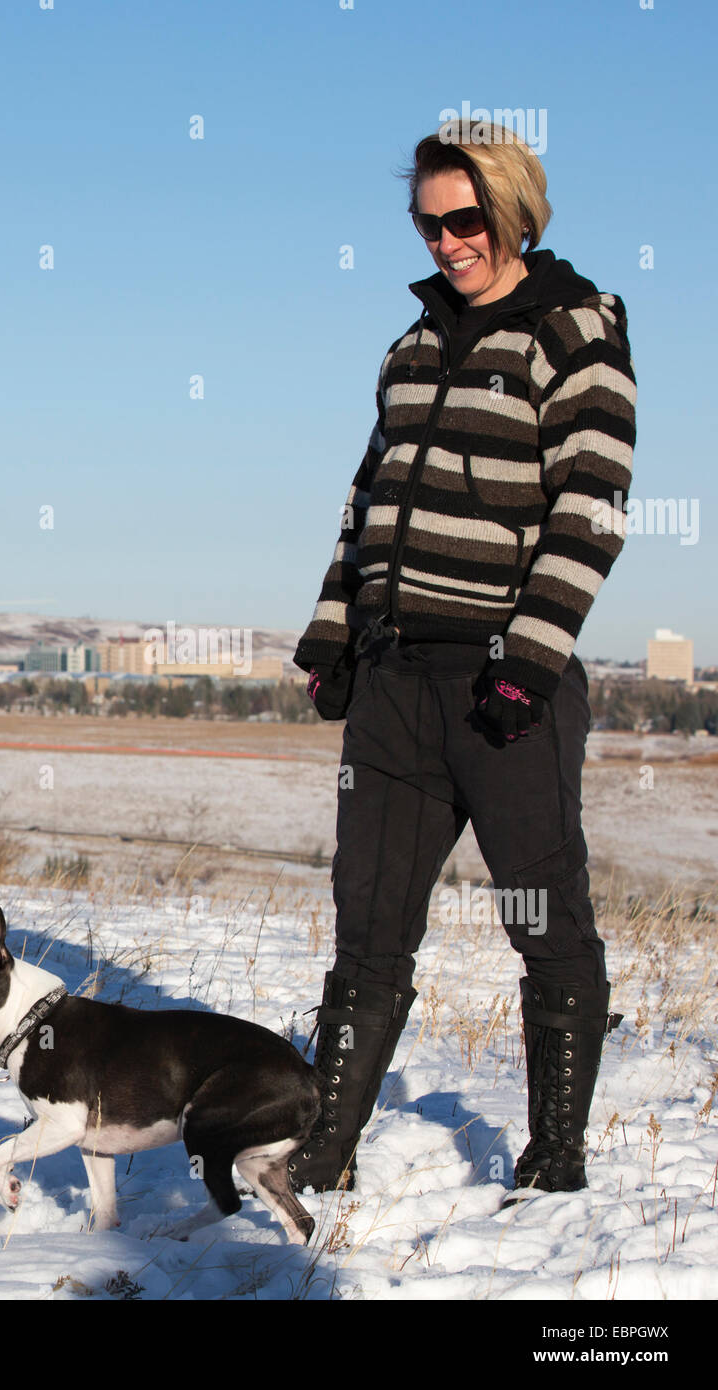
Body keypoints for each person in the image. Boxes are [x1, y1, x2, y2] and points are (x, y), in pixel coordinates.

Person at [289, 121, 634, 1204]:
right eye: (426, 222)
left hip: (503, 691)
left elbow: (589, 510)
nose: (445, 241)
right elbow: (365, 507)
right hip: (394, 687)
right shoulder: (409, 348)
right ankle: (318, 1152)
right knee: (368, 929)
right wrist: (333, 637)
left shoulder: (571, 332)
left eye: (464, 219)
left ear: (512, 209)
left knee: (540, 918)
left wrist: (525, 663)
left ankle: (553, 1151)